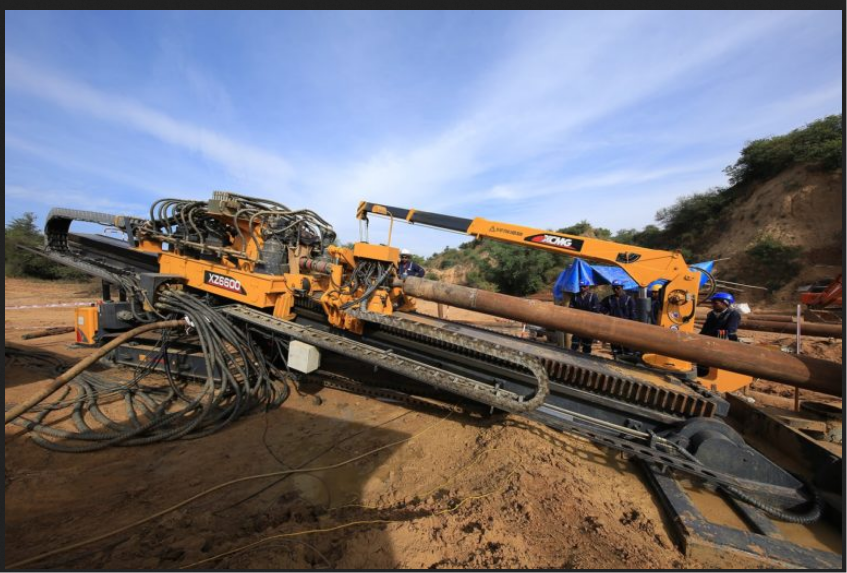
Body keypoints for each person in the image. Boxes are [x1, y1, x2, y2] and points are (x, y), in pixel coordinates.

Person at [601, 280, 637, 356]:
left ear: (622, 288)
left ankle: (628, 356)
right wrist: (606, 312)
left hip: (626, 325)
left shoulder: (629, 299)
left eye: (618, 288)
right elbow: (600, 306)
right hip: (614, 325)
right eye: (614, 288)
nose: (616, 290)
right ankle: (616, 355)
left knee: (627, 343)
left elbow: (633, 314)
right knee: (615, 344)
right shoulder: (609, 299)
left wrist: (633, 326)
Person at [569, 281, 601, 354]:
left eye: (584, 286)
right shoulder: (575, 296)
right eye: (580, 287)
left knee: (587, 344)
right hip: (577, 324)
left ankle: (586, 357)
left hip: (588, 324)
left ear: (588, 287)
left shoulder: (593, 297)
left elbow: (596, 310)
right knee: (575, 343)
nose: (582, 288)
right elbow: (571, 309)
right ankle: (572, 357)